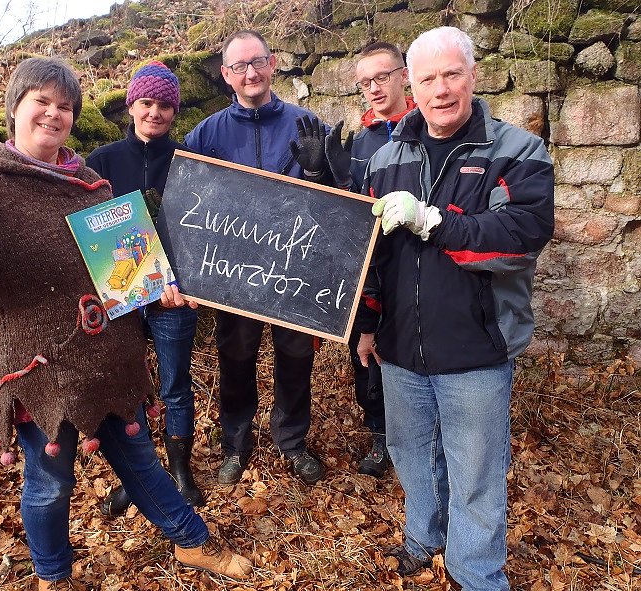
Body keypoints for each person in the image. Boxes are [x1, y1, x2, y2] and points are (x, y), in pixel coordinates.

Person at [0, 57, 252, 590]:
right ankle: (53, 575)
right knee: (50, 486)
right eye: (42, 102)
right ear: (14, 109)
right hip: (41, 375)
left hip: (109, 366)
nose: (54, 114)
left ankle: (191, 541)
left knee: (141, 463)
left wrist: (158, 292)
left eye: (66, 106)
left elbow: (126, 275)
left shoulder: (89, 184)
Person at [356, 27, 554, 589]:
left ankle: (476, 572)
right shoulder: (386, 158)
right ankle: (424, 537)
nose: (440, 90)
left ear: (473, 76)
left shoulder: (516, 150)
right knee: (411, 452)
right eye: (428, 79)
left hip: (476, 347)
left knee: (475, 470)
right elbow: (372, 256)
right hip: (400, 346)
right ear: (410, 86)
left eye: (451, 75)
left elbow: (522, 236)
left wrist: (434, 221)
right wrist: (367, 324)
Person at [184, 30, 328, 486]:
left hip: (293, 267)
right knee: (236, 356)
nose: (251, 73)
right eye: (239, 66)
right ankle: (236, 443)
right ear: (226, 75)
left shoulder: (307, 124)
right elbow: (187, 201)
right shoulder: (206, 134)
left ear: (273, 64)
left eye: (258, 62)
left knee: (296, 356)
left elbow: (336, 202)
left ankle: (292, 440)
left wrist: (317, 169)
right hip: (234, 269)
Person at [86, 61, 203, 518]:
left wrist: (186, 285)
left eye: (164, 106)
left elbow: (204, 231)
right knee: (127, 387)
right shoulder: (103, 161)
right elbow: (89, 232)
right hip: (122, 297)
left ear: (175, 112)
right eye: (147, 103)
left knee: (175, 385)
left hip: (175, 295)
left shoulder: (189, 162)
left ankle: (180, 471)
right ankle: (136, 477)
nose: (155, 113)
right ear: (132, 106)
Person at [318, 41, 417, 479]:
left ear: (404, 75)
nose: (374, 88)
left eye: (382, 77)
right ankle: (380, 435)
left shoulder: (426, 130)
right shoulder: (359, 141)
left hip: (416, 265)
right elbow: (346, 216)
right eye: (365, 82)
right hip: (369, 271)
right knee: (367, 358)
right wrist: (332, 178)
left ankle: (418, 439)